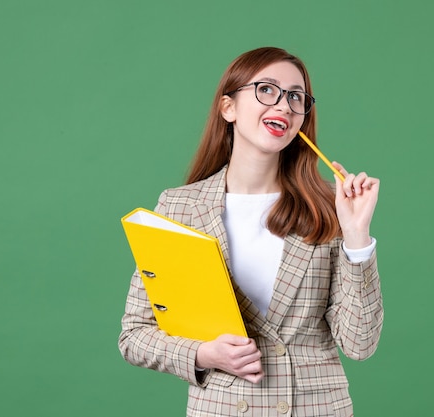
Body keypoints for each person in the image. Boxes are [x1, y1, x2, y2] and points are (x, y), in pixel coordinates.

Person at [119, 46, 383, 416]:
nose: (284, 106)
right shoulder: (179, 208)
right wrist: (203, 353)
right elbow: (134, 335)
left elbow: (360, 343)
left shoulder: (330, 208)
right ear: (228, 108)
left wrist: (357, 236)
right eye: (266, 89)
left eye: (296, 97)